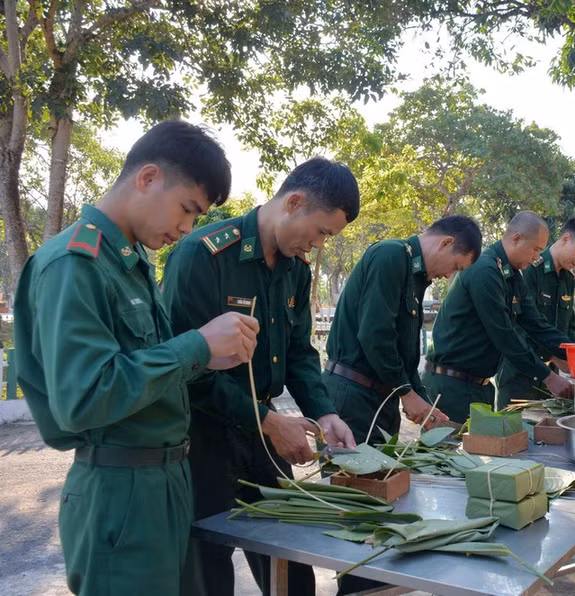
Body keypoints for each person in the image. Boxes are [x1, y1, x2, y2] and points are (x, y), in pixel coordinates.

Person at [13, 120, 259, 595]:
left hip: (167, 480)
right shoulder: (74, 264)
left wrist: (207, 359)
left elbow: (145, 367)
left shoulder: (131, 261)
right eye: (187, 209)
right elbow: (84, 398)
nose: (187, 228)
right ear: (148, 177)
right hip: (120, 491)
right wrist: (196, 346)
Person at [162, 157, 360, 596]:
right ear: (294, 202)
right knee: (205, 571)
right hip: (204, 439)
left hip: (264, 437)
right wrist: (270, 422)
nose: (317, 246)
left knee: (290, 567)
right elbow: (184, 369)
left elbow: (299, 352)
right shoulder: (204, 255)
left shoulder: (296, 270)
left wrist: (324, 413)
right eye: (320, 232)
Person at [325, 216, 482, 445]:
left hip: (382, 400)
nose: (449, 275)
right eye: (455, 266)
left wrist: (421, 400)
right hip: (353, 399)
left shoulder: (416, 276)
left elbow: (403, 354)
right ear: (446, 242)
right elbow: (375, 336)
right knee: (355, 470)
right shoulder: (390, 255)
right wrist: (406, 393)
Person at [423, 211, 574, 423]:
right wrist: (548, 376)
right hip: (451, 387)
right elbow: (504, 334)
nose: (537, 257)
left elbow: (536, 324)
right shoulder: (484, 270)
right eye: (536, 249)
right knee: (447, 445)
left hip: (479, 387)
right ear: (516, 238)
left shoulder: (512, 276)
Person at [495, 215, 575, 407]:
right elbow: (517, 326)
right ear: (566, 238)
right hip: (519, 376)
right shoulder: (529, 269)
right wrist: (554, 355)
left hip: (552, 380)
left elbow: (569, 328)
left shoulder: (568, 280)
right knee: (515, 426)